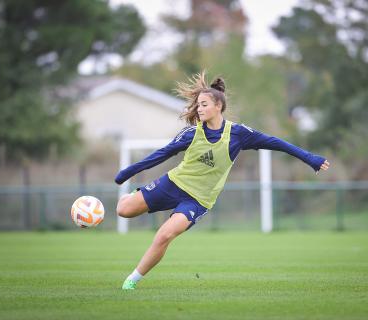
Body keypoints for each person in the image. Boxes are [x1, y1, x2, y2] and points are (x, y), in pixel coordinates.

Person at [115, 71, 330, 290]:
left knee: (164, 235)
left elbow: (276, 143)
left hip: (198, 200)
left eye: (204, 104)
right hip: (172, 184)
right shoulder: (191, 134)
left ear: (219, 106)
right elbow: (161, 154)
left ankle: (131, 281)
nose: (199, 108)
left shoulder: (238, 134)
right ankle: (132, 197)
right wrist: (127, 172)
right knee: (124, 210)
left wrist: (310, 158)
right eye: (198, 105)